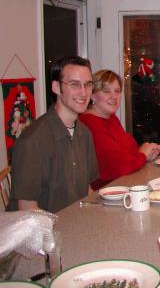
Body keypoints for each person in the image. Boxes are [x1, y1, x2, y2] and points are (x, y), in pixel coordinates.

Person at [9, 56, 99, 213]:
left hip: (76, 225)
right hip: (39, 231)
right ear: (56, 87)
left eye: (88, 84)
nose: (83, 92)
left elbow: (87, 189)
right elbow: (27, 209)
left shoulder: (84, 134)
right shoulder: (33, 140)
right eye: (74, 84)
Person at [79, 70, 160, 190]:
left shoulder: (111, 117)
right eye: (106, 91)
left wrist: (147, 154)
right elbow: (119, 167)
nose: (114, 96)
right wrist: (142, 155)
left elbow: (129, 152)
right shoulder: (89, 123)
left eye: (117, 91)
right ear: (92, 95)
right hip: (108, 192)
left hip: (126, 183)